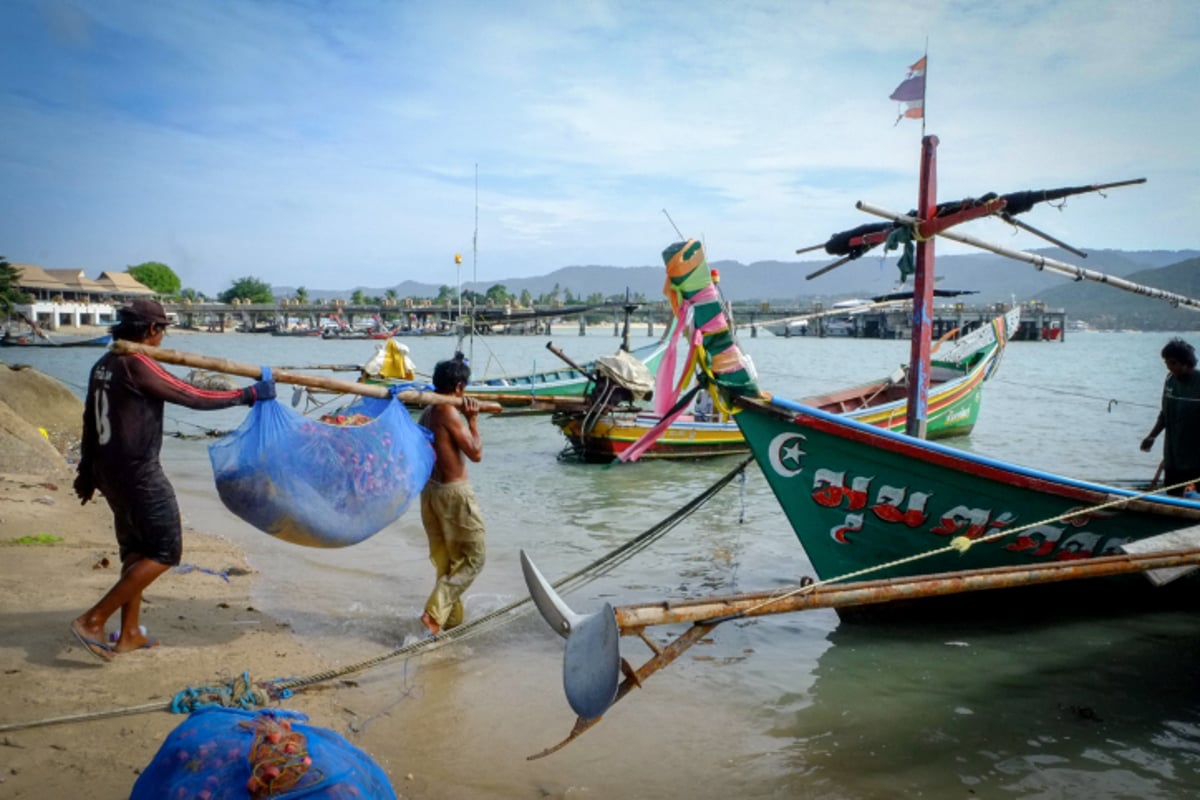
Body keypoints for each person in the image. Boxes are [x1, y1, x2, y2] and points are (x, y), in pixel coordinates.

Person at [71, 298, 276, 661]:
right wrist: (247, 395)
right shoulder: (137, 363)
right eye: (162, 330)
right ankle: (93, 619)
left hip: (110, 472)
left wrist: (86, 471)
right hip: (139, 473)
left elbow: (90, 418)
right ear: (151, 330)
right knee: (166, 551)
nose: (163, 337)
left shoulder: (105, 363)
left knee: (137, 550)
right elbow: (191, 394)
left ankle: (130, 632)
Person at [416, 352, 485, 636]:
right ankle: (434, 614)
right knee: (473, 558)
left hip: (431, 494)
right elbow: (476, 453)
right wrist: (473, 420)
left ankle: (449, 620)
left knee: (449, 560)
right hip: (454, 495)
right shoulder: (447, 412)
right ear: (458, 388)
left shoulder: (428, 412)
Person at [1140, 338, 1200, 496]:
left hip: (1195, 458)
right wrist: (1152, 436)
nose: (1169, 367)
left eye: (1173, 363)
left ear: (1186, 363)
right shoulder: (1170, 380)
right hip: (1173, 455)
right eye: (1166, 362)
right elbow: (1165, 413)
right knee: (1173, 492)